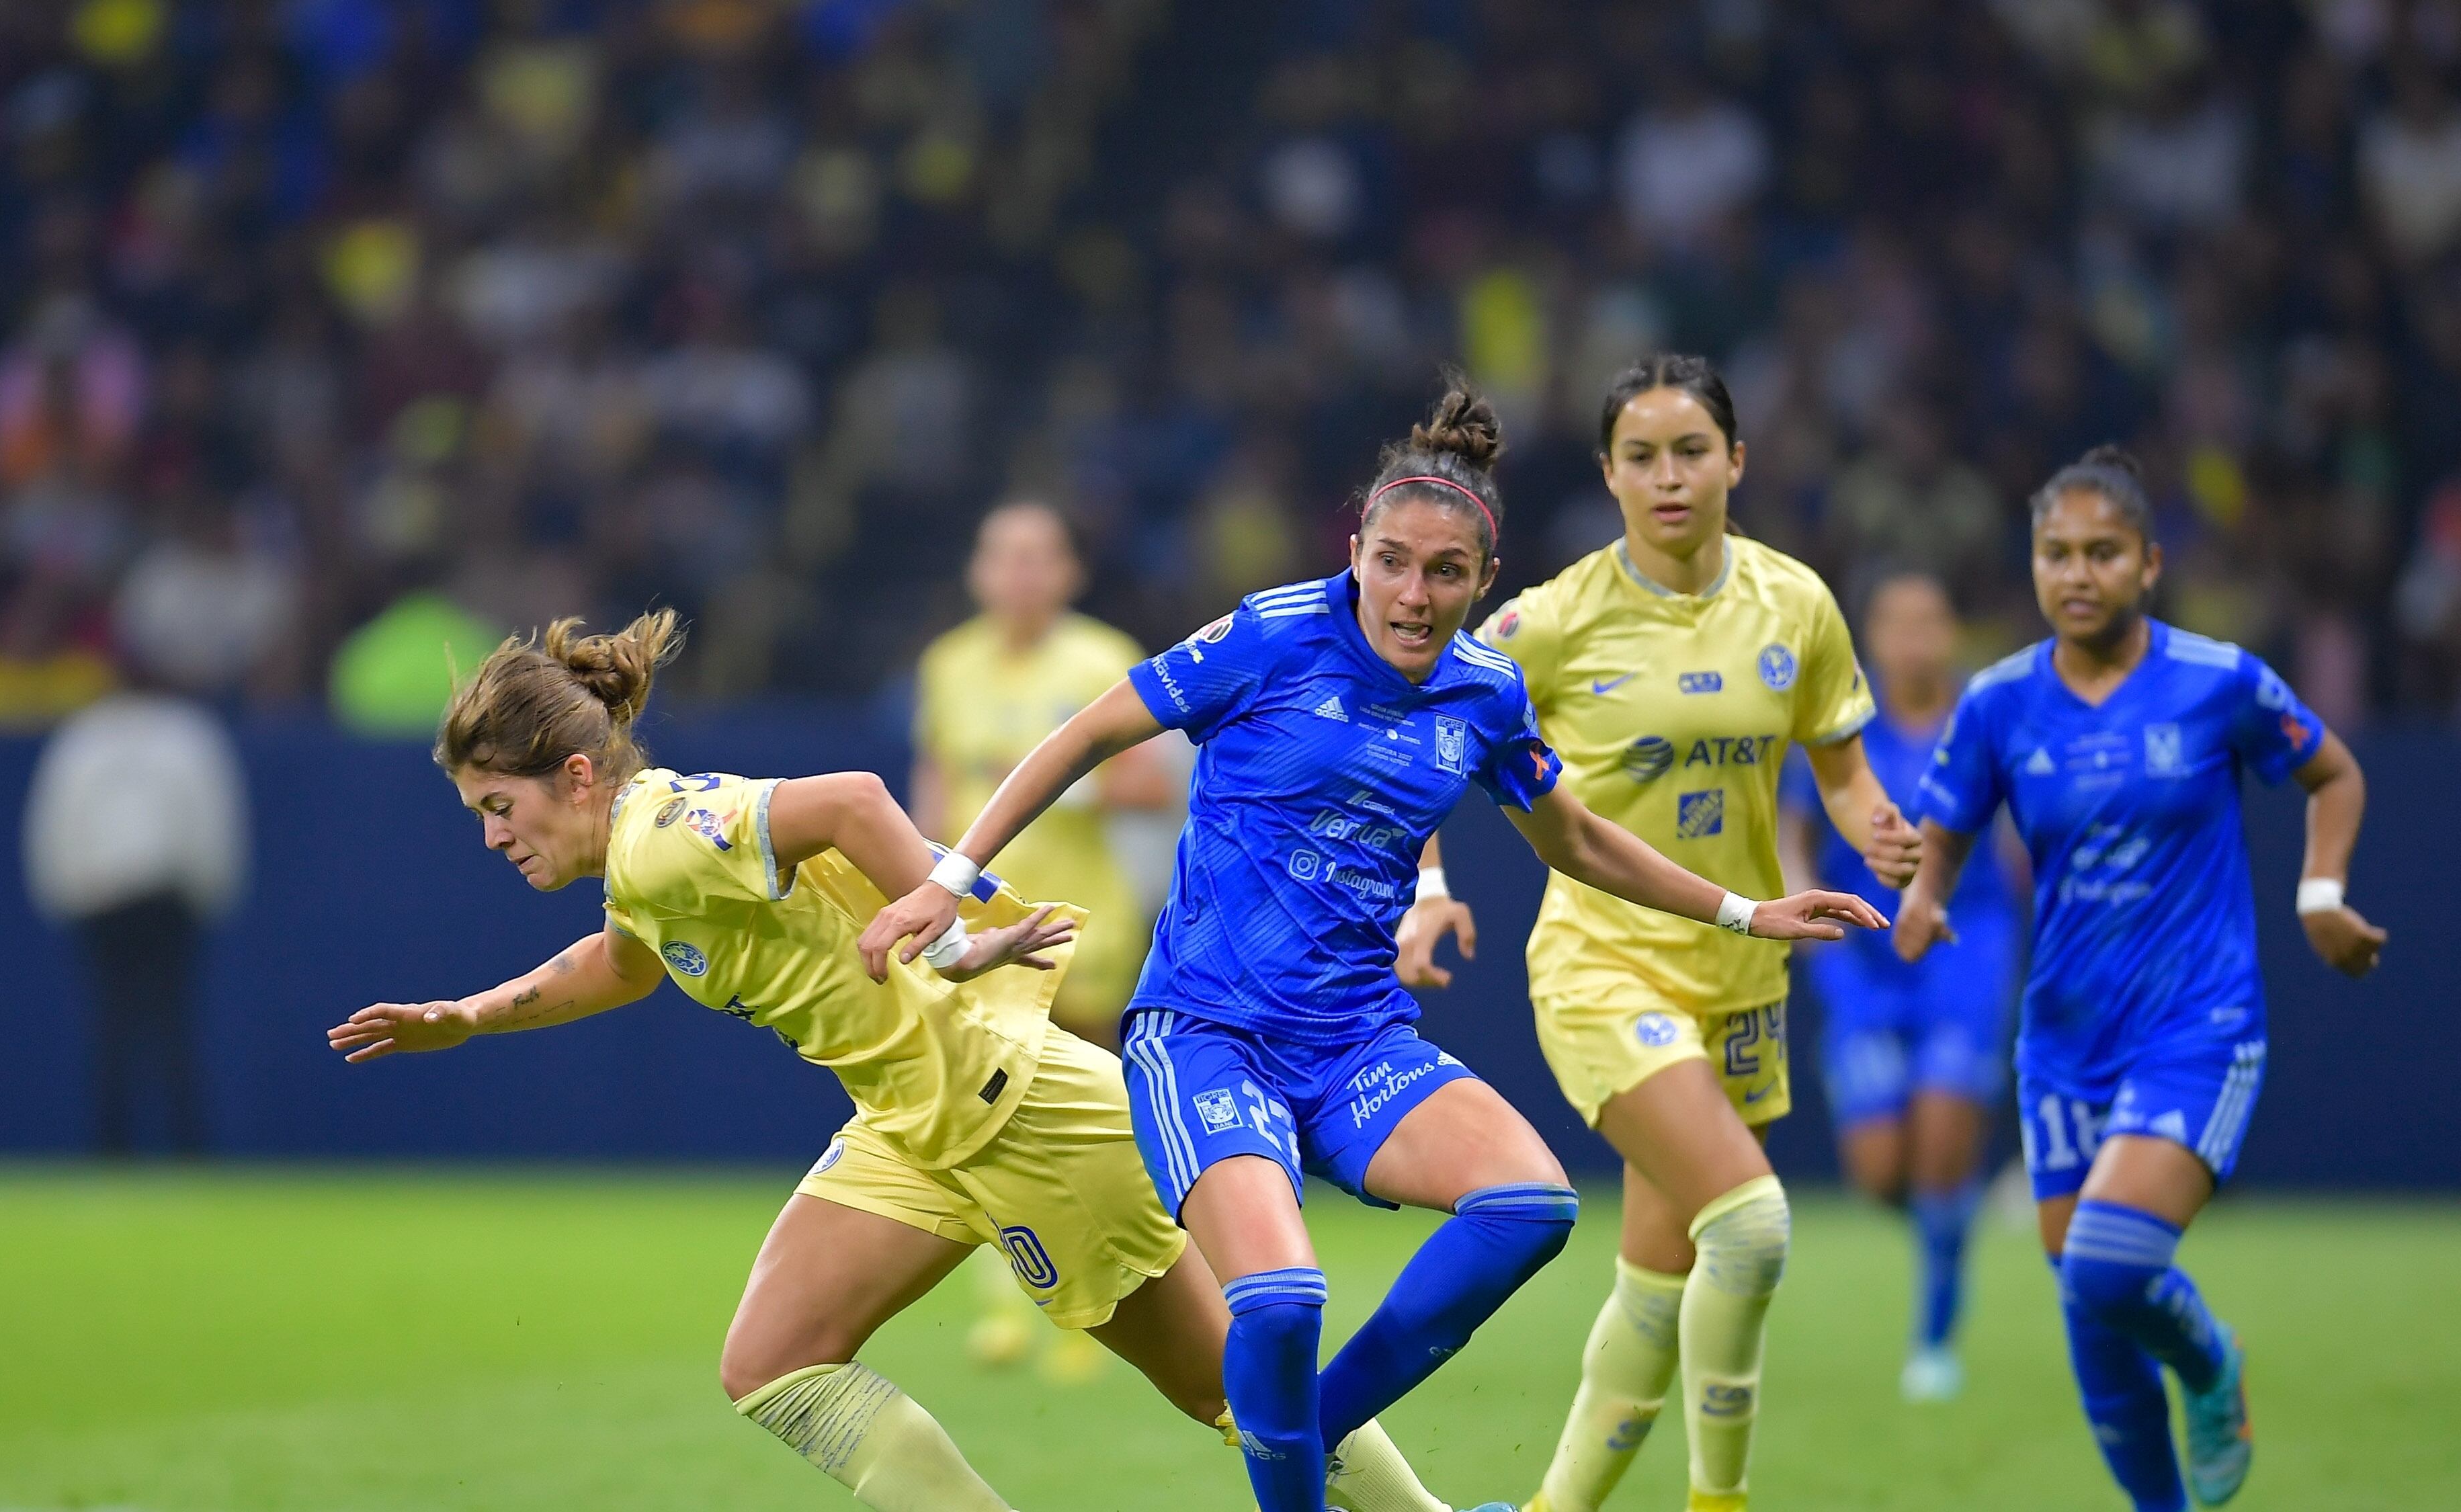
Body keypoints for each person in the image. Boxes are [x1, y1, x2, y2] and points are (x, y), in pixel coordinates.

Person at [863, 378, 1884, 1512]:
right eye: (1392, 560)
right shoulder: (1270, 636)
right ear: (1357, 550)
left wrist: (1748, 912)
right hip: (1208, 1034)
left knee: (1530, 1206)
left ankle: (1291, 1437)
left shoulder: (1488, 693)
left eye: (1446, 572)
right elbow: (1089, 732)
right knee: (1283, 1300)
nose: (1413, 592)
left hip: (1353, 1040)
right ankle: (1293, 1460)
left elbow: (1578, 839)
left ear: (1482, 584)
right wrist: (946, 881)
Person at [325, 612, 1461, 1512]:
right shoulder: (644, 865)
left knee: (1230, 1387)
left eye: (497, 804)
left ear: (576, 776)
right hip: (914, 1125)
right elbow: (622, 967)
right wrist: (466, 1016)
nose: (490, 833)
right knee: (773, 1360)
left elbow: (853, 801)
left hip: (1012, 1111)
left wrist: (951, 923)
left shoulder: (664, 837)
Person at [1400, 355, 1923, 1512]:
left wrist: (1876, 827)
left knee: (1661, 1272)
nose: (1669, 476)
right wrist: (1427, 883)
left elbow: (1840, 772)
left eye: (1692, 451)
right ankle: (1720, 1501)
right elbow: (1413, 745)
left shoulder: (1798, 604)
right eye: (1642, 456)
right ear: (1609, 474)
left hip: (1743, 970)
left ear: (1737, 460)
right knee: (1753, 1226)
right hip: (1602, 962)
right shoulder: (1554, 621)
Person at [1896, 447, 2385, 1512]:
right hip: (2064, 1038)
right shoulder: (1998, 702)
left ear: (2150, 564)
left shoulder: (2218, 681)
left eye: (2103, 553)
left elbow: (2332, 768)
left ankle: (2211, 1363)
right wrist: (1928, 893)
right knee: (2090, 1305)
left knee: (2113, 1263)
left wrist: (2318, 894)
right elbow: (1949, 826)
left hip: (2195, 1023)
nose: (2077, 574)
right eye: (2056, 553)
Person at [914, 501, 1177, 1378]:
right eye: (1004, 556)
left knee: (1101, 1111)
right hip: (975, 927)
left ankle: (1102, 1309)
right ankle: (1008, 1305)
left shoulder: (1103, 658)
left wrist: (1077, 791)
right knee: (976, 1112)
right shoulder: (948, 665)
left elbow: (1155, 783)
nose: (1021, 574)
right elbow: (933, 791)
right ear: (979, 572)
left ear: (1068, 572)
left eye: (1039, 557)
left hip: (1076, 922)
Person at [1777, 571, 2020, 1402]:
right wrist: (1812, 929)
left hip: (1965, 952)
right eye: (1896, 623)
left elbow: (2027, 840)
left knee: (1944, 1148)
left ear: (1952, 631)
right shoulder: (1843, 721)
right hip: (1863, 960)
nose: (1914, 639)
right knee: (1882, 1171)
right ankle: (1949, 1234)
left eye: (1929, 621)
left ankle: (1935, 1336)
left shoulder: (1984, 720)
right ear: (1871, 637)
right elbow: (1792, 837)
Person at [24, 665, 249, 1154]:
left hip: (131, 900)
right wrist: (212, 891)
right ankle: (154, 1146)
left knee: (135, 1026)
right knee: (150, 1026)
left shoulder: (89, 740)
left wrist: (64, 893)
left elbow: (56, 826)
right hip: (147, 900)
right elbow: (212, 821)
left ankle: (139, 1147)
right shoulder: (179, 736)